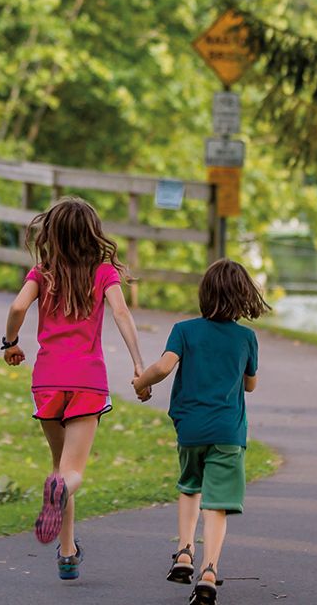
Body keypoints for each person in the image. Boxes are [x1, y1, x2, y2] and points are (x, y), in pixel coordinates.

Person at [1, 196, 148, 581]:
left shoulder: (41, 271)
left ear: (53, 233)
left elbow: (18, 307)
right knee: (71, 474)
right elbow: (121, 312)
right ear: (91, 234)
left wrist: (10, 342)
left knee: (58, 470)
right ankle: (63, 524)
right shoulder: (103, 272)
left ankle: (67, 554)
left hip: (47, 381)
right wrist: (137, 362)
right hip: (86, 381)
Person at [132, 257, 270, 605]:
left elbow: (164, 367)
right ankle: (209, 571)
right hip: (228, 433)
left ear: (204, 294)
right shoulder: (247, 338)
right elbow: (250, 386)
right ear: (244, 297)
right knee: (218, 504)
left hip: (190, 428)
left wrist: (140, 383)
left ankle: (183, 552)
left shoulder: (184, 330)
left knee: (190, 486)